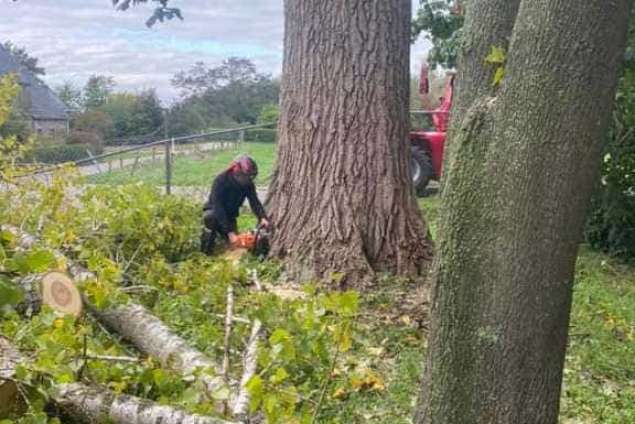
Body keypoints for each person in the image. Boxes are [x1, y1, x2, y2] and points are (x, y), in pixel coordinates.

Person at [200, 155, 269, 255]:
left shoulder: (248, 184)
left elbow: (254, 202)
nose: (248, 179)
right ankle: (206, 253)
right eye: (246, 176)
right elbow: (218, 207)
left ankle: (223, 250)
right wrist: (229, 232)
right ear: (236, 171)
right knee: (210, 218)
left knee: (235, 247)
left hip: (230, 217)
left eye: (250, 177)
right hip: (215, 213)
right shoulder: (221, 181)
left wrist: (262, 217)